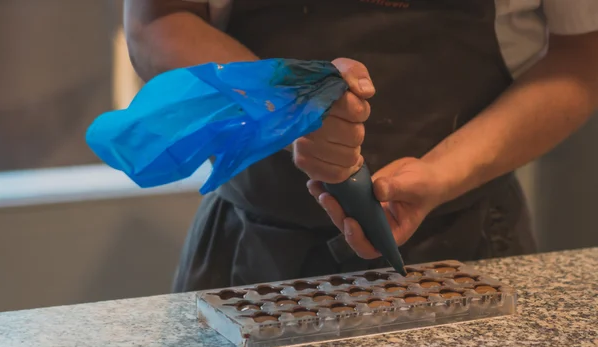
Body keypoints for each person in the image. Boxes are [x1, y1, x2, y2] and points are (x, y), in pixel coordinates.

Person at [123, 0, 598, 291]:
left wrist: (444, 172)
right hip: (249, 250)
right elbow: (157, 20)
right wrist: (284, 106)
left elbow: (581, 53)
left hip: (472, 242)